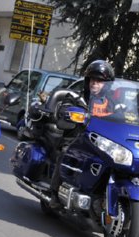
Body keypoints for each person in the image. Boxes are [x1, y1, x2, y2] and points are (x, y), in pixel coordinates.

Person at [49, 60, 115, 208]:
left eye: (99, 81)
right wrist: (68, 112)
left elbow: (123, 118)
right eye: (92, 79)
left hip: (102, 144)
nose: (94, 83)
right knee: (66, 152)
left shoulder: (112, 104)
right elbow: (64, 111)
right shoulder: (77, 99)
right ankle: (54, 193)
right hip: (76, 141)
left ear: (107, 84)